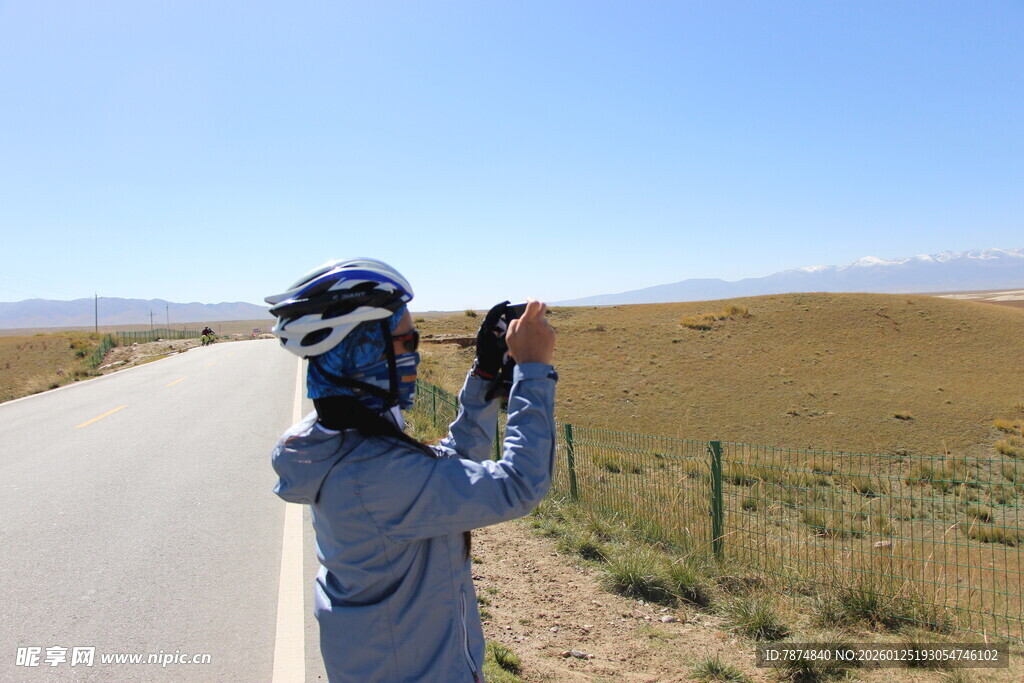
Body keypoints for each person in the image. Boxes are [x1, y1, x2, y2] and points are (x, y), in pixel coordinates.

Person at [266, 258, 557, 682]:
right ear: (362, 350)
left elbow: (447, 464)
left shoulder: (338, 441)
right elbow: (520, 483)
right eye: (407, 342)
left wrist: (486, 374)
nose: (416, 356)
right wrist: (532, 370)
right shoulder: (371, 474)